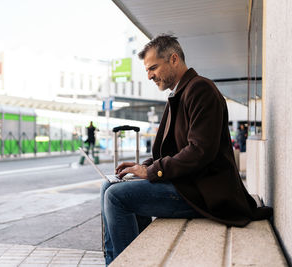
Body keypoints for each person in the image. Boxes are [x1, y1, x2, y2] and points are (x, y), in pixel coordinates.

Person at [100, 35, 272, 265]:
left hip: (206, 194)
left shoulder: (200, 89)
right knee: (110, 185)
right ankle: (122, 260)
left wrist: (152, 172)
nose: (150, 75)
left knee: (116, 197)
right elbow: (175, 151)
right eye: (147, 70)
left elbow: (200, 152)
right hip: (189, 184)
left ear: (173, 59)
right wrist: (144, 167)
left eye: (153, 68)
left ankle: (122, 262)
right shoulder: (181, 93)